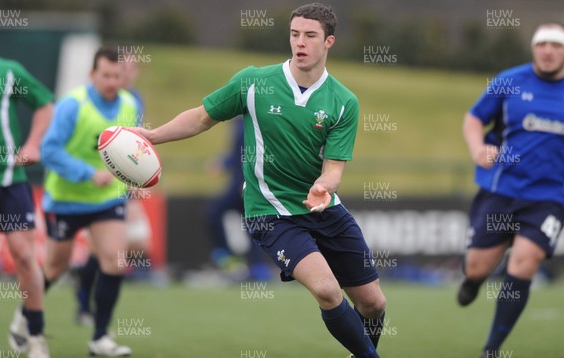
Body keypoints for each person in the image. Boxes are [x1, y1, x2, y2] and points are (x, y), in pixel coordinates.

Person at [137, 4, 386, 356]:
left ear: (329, 41)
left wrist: (324, 186)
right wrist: (151, 136)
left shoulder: (344, 102)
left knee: (373, 303)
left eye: (310, 36)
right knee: (328, 291)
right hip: (270, 213)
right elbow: (201, 117)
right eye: (294, 34)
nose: (300, 42)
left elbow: (334, 169)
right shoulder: (253, 81)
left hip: (323, 209)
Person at [9, 46, 137, 357]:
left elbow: (129, 149)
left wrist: (135, 176)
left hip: (106, 199)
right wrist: (88, 174)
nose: (110, 81)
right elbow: (49, 152)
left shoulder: (129, 104)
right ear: (92, 74)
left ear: (124, 77)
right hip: (66, 199)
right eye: (104, 75)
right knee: (55, 267)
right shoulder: (72, 105)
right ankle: (24, 317)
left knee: (114, 260)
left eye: (116, 76)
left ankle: (100, 337)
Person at [458, 22, 564, 357]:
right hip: (502, 189)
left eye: (557, 45)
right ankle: (474, 281)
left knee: (524, 263)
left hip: (551, 198)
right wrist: (478, 149)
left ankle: (492, 348)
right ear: (534, 48)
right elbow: (474, 119)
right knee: (477, 266)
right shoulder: (509, 81)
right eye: (542, 44)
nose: (548, 51)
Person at [0, 12, 53, 358]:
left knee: (25, 257)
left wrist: (33, 145)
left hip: (7, 182)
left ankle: (35, 336)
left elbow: (45, 104)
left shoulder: (5, 71)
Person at [73, 58, 152, 326]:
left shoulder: (133, 101)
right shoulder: (91, 100)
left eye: (131, 68)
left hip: (123, 184)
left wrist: (139, 178)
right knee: (101, 250)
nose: (126, 74)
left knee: (134, 244)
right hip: (97, 185)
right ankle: (84, 303)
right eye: (122, 69)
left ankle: (95, 310)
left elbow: (138, 144)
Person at [205, 116, 273, 282]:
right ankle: (251, 266)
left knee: (216, 213)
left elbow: (260, 152)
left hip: (246, 185)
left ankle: (235, 260)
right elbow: (238, 153)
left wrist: (247, 181)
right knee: (250, 223)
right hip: (239, 185)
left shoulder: (257, 119)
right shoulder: (238, 122)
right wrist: (224, 162)